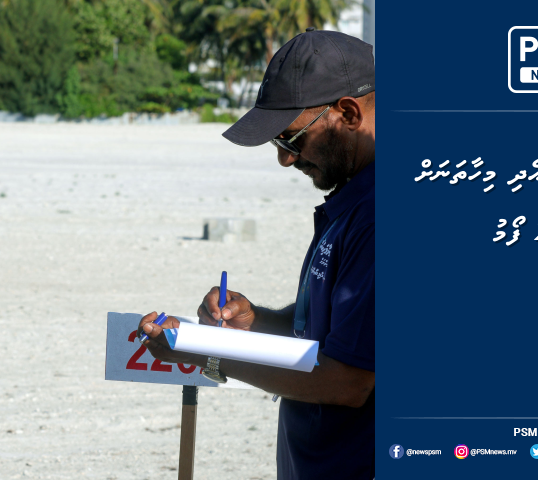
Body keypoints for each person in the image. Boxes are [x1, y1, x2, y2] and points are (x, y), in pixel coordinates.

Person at [139, 29, 375, 479]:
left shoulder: (379, 216)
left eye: (291, 139)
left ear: (347, 112)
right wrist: (256, 322)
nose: (285, 159)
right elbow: (332, 330)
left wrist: (206, 355)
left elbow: (349, 381)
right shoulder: (352, 201)